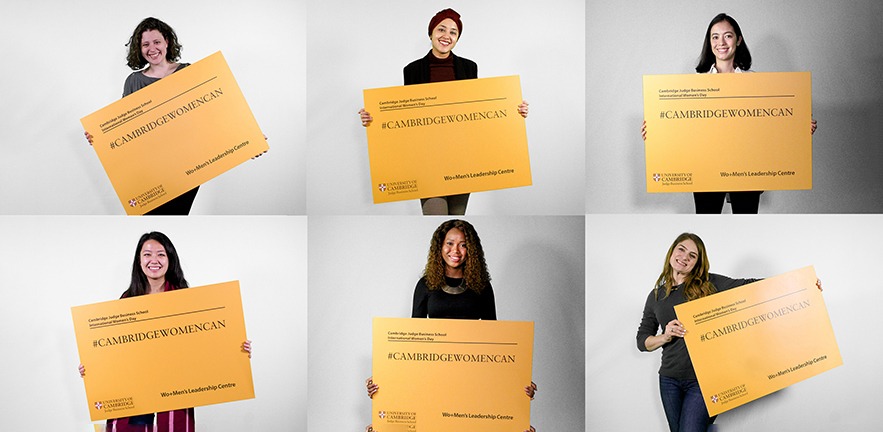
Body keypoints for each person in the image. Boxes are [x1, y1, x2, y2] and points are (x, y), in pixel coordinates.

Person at [635, 233, 821, 431]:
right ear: (672, 251)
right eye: (681, 249)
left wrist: (802, 284)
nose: (685, 257)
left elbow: (749, 285)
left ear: (697, 263)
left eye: (692, 255)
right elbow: (642, 341)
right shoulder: (655, 296)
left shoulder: (708, 284)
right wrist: (665, 336)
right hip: (669, 380)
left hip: (705, 382)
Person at [365, 219, 537, 432]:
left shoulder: (482, 287)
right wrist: (386, 378)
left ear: (471, 250)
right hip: (432, 374)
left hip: (473, 376)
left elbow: (496, 341)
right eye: (449, 243)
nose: (456, 250)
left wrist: (517, 384)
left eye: (463, 244)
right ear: (439, 247)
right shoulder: (425, 285)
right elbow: (411, 341)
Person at [83, 17, 266, 215]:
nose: (151, 48)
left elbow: (214, 115)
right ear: (139, 48)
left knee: (176, 215)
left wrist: (249, 139)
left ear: (167, 42)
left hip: (187, 167)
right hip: (149, 171)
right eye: (145, 44)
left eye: (156, 42)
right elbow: (123, 129)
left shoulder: (189, 72)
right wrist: (99, 138)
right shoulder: (133, 81)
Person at [641, 13, 817, 214]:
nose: (721, 42)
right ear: (709, 42)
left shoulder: (758, 84)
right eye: (715, 37)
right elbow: (683, 131)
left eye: (728, 36)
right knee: (708, 224)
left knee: (745, 224)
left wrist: (799, 128)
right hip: (705, 169)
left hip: (747, 169)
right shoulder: (695, 86)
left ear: (739, 39)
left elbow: (771, 128)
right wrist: (655, 131)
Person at [358, 8, 529, 215]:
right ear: (431, 33)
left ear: (457, 39)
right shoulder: (412, 70)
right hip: (427, 159)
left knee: (457, 217)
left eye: (453, 32)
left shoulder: (469, 67)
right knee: (435, 216)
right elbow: (405, 114)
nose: (446, 36)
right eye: (441, 29)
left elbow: (479, 110)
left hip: (463, 158)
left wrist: (513, 110)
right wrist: (375, 118)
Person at [78, 232, 251, 431]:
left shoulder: (185, 299)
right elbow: (114, 352)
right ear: (139, 260)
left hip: (174, 392)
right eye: (147, 254)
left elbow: (205, 346)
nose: (154, 260)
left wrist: (236, 350)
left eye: (161, 254)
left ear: (170, 259)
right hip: (134, 392)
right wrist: (93, 367)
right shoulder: (126, 301)